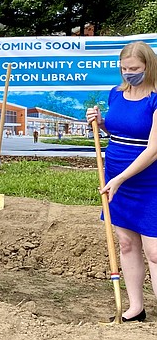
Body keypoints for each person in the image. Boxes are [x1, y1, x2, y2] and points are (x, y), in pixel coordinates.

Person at [86, 41, 157, 323]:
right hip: (115, 175)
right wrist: (100, 122)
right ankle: (136, 307)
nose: (129, 73)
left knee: (154, 250)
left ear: (148, 67)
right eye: (124, 69)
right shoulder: (116, 94)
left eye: (135, 69)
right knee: (127, 244)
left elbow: (153, 149)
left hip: (148, 180)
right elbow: (115, 131)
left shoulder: (155, 99)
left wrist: (120, 179)